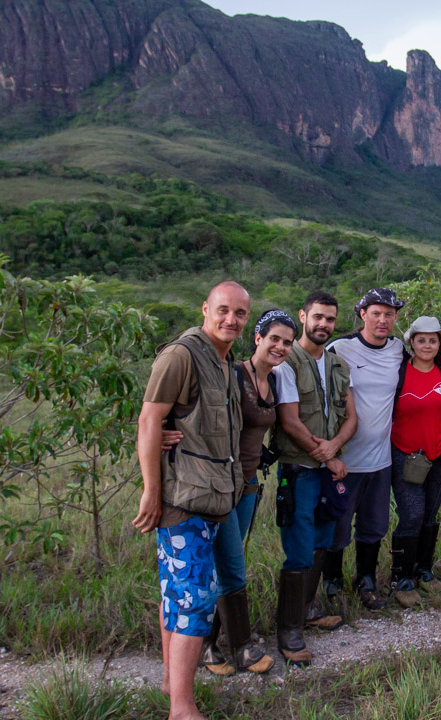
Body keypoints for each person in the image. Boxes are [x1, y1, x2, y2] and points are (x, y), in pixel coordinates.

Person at [134, 281, 249, 720]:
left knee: (177, 596)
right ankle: (182, 708)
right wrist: (151, 490)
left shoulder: (224, 360)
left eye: (240, 313)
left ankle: (170, 683)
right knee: (196, 601)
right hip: (183, 500)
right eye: (223, 310)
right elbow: (149, 419)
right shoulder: (182, 355)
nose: (231, 320)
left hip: (211, 495)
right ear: (205, 308)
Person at [198, 310, 296, 674]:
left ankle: (211, 645)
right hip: (224, 486)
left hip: (251, 486)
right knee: (231, 566)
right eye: (274, 339)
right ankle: (237, 646)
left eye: (287, 342)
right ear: (258, 338)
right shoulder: (234, 375)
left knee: (227, 562)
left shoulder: (275, 380)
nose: (280, 347)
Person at [272, 291, 358, 665]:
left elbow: (351, 416)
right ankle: (289, 630)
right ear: (303, 315)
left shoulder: (338, 364)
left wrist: (335, 448)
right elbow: (289, 421)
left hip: (329, 469)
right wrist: (322, 453)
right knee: (299, 545)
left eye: (330, 319)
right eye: (318, 317)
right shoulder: (286, 360)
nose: (324, 325)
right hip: (300, 469)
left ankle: (308, 608)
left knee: (324, 537)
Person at [322, 288, 408, 611]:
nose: (383, 320)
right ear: (362, 314)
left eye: (389, 314)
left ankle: (366, 581)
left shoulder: (399, 350)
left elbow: (426, 367)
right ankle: (332, 584)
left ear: (396, 317)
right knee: (338, 526)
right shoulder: (340, 348)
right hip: (345, 460)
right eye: (376, 313)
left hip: (380, 460)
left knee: (373, 526)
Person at [388, 316, 441, 607]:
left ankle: (424, 571)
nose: (427, 345)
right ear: (412, 342)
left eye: (433, 340)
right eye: (421, 340)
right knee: (412, 514)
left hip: (439, 453)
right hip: (404, 452)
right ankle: (402, 578)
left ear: (439, 343)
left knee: (431, 514)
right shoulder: (398, 372)